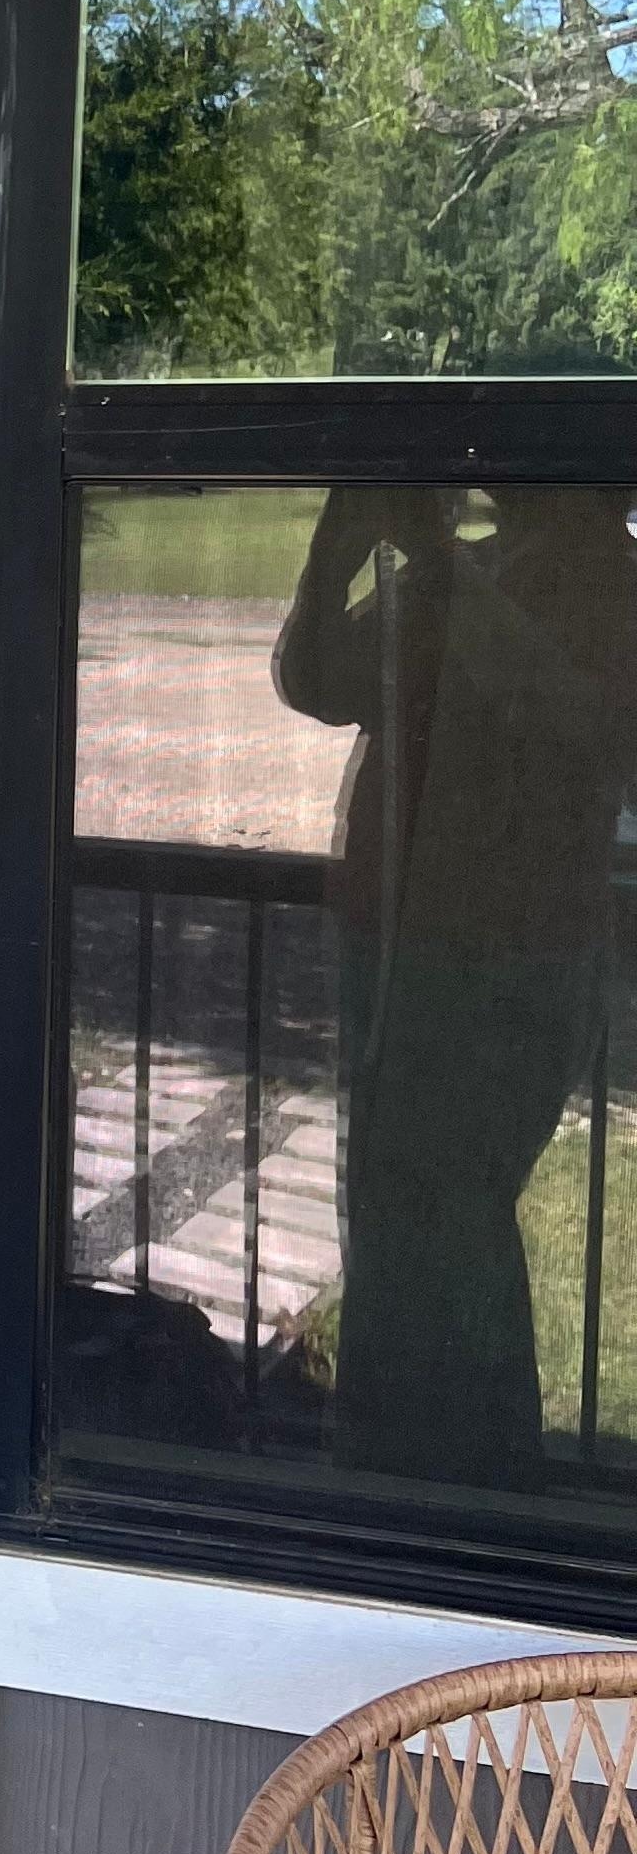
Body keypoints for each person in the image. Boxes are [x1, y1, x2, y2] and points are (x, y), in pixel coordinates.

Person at [274, 486, 637, 1487]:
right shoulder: (472, 569)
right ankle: (402, 1456)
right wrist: (335, 552)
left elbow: (574, 717)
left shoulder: (608, 579)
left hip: (506, 962)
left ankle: (465, 1473)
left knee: (449, 1219)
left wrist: (434, 561)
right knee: (400, 1217)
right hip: (402, 943)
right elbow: (316, 680)